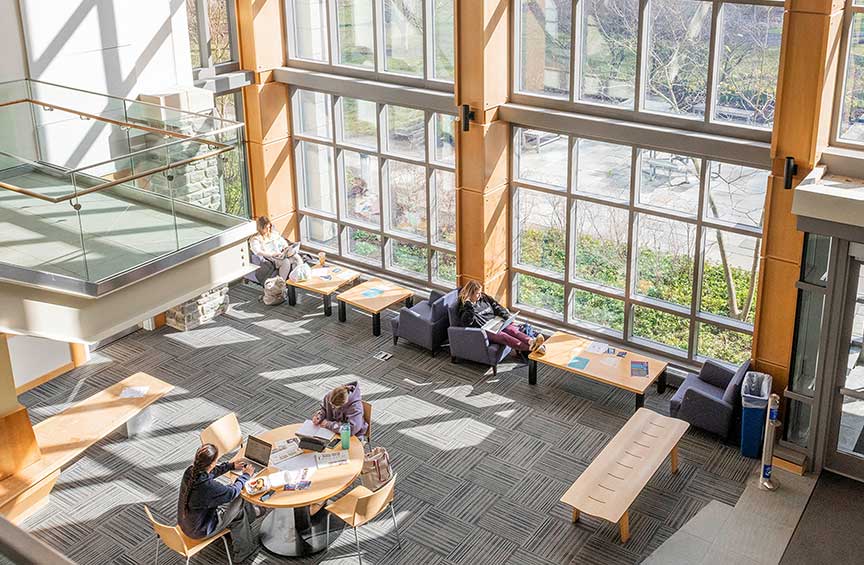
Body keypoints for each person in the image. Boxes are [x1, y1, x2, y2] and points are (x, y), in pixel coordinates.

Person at [177, 444, 260, 562]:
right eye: (216, 461)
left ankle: (249, 516)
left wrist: (230, 466)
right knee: (239, 502)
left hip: (186, 523)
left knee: (231, 500)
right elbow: (232, 492)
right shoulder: (208, 487)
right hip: (200, 530)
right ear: (212, 463)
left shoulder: (190, 471)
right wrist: (246, 475)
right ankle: (244, 552)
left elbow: (209, 472)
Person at [458, 280, 545, 355]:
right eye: (477, 293)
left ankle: (532, 341)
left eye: (480, 292)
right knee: (504, 337)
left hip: (495, 322)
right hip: (485, 330)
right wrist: (469, 306)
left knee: (513, 330)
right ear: (470, 293)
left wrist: (504, 315)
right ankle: (533, 348)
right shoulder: (465, 306)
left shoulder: (484, 297)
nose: (480, 295)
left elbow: (495, 305)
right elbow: (466, 322)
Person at [249, 215, 325, 283]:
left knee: (296, 257)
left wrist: (286, 248)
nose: (268, 230)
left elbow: (283, 242)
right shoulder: (256, 239)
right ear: (261, 228)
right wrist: (272, 254)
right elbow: (257, 251)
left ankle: (300, 278)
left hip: (281, 254)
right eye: (266, 228)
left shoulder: (273, 234)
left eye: (269, 227)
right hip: (271, 258)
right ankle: (281, 284)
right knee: (285, 262)